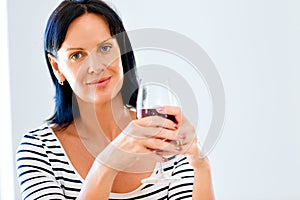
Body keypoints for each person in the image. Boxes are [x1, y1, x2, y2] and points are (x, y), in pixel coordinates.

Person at [16, 0, 215, 199]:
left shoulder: (163, 136)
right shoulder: (39, 151)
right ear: (57, 68)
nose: (95, 66)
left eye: (104, 49)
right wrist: (107, 164)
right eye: (77, 55)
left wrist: (201, 164)